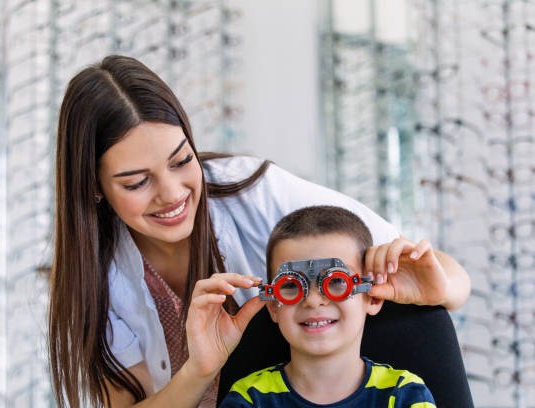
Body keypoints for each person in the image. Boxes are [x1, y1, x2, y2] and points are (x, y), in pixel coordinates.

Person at [48, 55, 470, 408]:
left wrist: (435, 290)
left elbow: (449, 278)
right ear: (94, 187)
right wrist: (201, 370)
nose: (172, 193)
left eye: (182, 161)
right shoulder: (93, 275)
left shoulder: (254, 192)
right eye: (137, 182)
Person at [218, 205, 436, 407]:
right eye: (292, 284)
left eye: (336, 282)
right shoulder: (249, 399)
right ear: (273, 306)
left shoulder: (404, 394)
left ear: (373, 297)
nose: (313, 300)